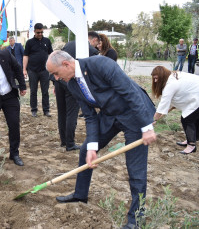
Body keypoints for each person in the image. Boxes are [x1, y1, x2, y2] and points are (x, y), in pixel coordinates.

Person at [46, 51, 156, 229]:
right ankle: (80, 194)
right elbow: (90, 116)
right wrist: (92, 146)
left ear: (66, 64)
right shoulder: (72, 84)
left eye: (56, 73)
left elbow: (130, 93)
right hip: (110, 115)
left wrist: (146, 126)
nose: (56, 78)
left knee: (135, 168)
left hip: (134, 114)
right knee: (85, 150)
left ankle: (136, 218)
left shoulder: (101, 64)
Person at [52, 40, 100, 151]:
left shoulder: (69, 44)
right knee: (72, 113)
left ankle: (64, 140)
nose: (96, 46)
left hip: (59, 80)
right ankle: (70, 143)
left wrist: (55, 82)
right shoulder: (87, 47)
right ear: (92, 40)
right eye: (96, 43)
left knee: (62, 112)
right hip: (70, 80)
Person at [152, 66, 199, 154]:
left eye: (156, 78)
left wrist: (153, 120)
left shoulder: (170, 85)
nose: (155, 81)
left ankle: (191, 145)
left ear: (162, 76)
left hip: (197, 95)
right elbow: (170, 102)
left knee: (187, 119)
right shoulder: (172, 77)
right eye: (154, 78)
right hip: (195, 93)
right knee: (193, 118)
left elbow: (162, 105)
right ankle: (192, 139)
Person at [23, 23, 53, 117]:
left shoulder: (47, 41)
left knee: (45, 91)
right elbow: (25, 56)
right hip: (32, 70)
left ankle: (46, 110)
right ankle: (34, 110)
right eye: (38, 32)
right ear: (34, 31)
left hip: (44, 70)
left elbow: (51, 55)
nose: (40, 34)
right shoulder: (29, 42)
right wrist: (24, 69)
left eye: (41, 32)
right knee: (33, 91)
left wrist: (52, 67)